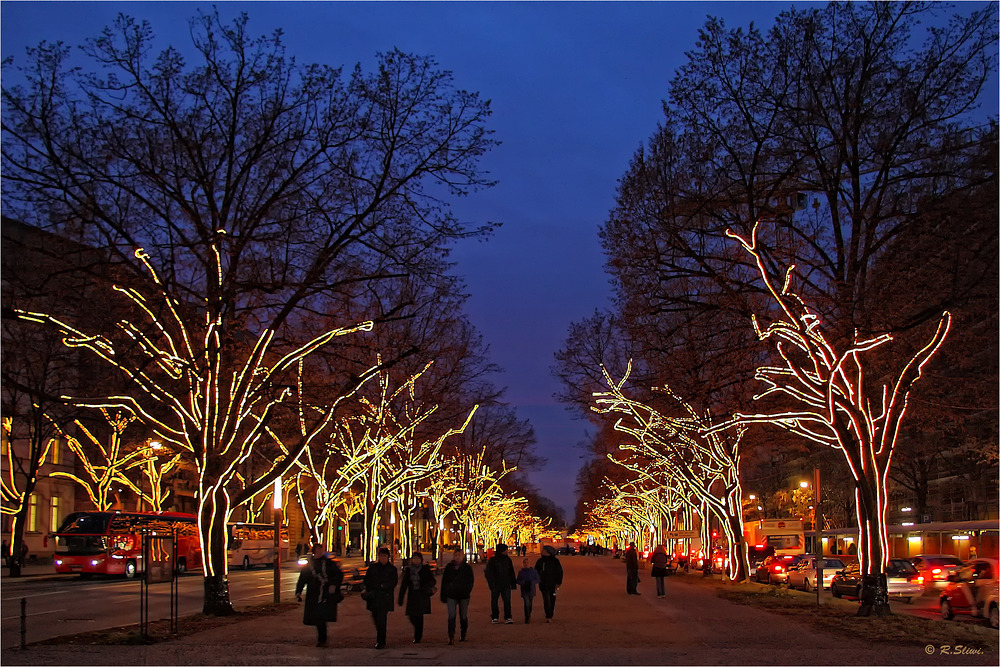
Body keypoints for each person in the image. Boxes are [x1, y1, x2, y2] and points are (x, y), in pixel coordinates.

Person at [295, 543, 344, 647]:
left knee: (321, 616)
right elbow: (303, 578)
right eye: (318, 550)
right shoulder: (309, 565)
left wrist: (334, 585)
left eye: (321, 550)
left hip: (325, 594)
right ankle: (321, 638)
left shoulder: (328, 563)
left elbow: (338, 574)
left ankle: (322, 638)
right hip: (314, 593)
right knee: (317, 617)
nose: (320, 552)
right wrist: (298, 591)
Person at [363, 547, 399, 649]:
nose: (383, 558)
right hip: (374, 597)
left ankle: (381, 641)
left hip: (384, 597)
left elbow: (393, 582)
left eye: (384, 556)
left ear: (388, 557)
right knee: (375, 617)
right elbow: (367, 580)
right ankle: (380, 634)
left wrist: (383, 586)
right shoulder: (373, 568)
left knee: (382, 618)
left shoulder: (391, 569)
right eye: (381, 556)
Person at [398, 551, 436, 644]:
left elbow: (432, 581)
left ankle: (417, 636)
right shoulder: (409, 570)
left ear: (421, 560)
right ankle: (418, 630)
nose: (416, 560)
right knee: (411, 616)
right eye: (414, 558)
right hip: (412, 595)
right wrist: (401, 598)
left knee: (419, 615)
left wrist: (428, 585)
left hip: (422, 595)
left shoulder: (425, 569)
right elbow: (404, 585)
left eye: (418, 558)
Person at [440, 546, 475, 644]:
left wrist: (467, 590)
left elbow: (471, 581)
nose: (457, 557)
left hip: (464, 595)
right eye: (455, 555)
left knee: (463, 615)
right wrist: (444, 594)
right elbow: (444, 581)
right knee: (451, 615)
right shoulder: (449, 567)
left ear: (463, 556)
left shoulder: (467, 568)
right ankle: (451, 635)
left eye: (459, 555)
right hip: (451, 594)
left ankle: (463, 634)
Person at [484, 542, 516, 624]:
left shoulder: (507, 560)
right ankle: (495, 616)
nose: (507, 551)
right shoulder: (493, 560)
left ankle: (508, 616)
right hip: (496, 584)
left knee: (507, 601)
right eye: (506, 550)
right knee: (495, 601)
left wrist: (513, 583)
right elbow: (488, 573)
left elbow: (511, 572)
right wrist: (491, 583)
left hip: (505, 583)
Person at [535, 545, 563, 623]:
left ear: (548, 552)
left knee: (552, 599)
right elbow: (536, 571)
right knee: (546, 599)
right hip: (543, 584)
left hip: (553, 584)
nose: (542, 551)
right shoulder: (540, 561)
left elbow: (559, 572)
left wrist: (558, 582)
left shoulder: (555, 561)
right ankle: (548, 615)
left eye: (543, 550)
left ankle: (550, 613)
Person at [516, 557, 540, 624]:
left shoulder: (534, 571)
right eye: (525, 563)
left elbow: (538, 579)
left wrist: (532, 582)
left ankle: (529, 614)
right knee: (526, 603)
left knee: (530, 603)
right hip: (524, 590)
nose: (526, 564)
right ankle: (527, 617)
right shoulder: (521, 572)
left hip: (531, 589)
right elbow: (518, 580)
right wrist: (522, 582)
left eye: (527, 563)